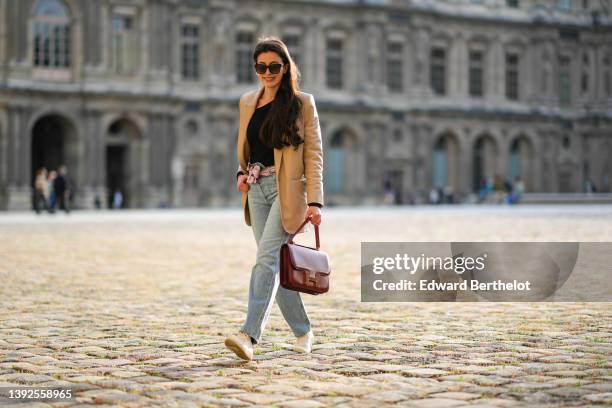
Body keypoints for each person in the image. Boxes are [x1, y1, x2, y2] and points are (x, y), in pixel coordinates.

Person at [225, 36, 324, 361]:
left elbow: (314, 155)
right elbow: (247, 147)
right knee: (276, 266)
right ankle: (303, 331)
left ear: (285, 67)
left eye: (274, 67)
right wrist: (242, 173)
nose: (267, 73)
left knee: (266, 260)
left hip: (288, 192)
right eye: (261, 67)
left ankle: (249, 335)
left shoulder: (302, 103)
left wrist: (315, 202)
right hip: (257, 190)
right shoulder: (246, 102)